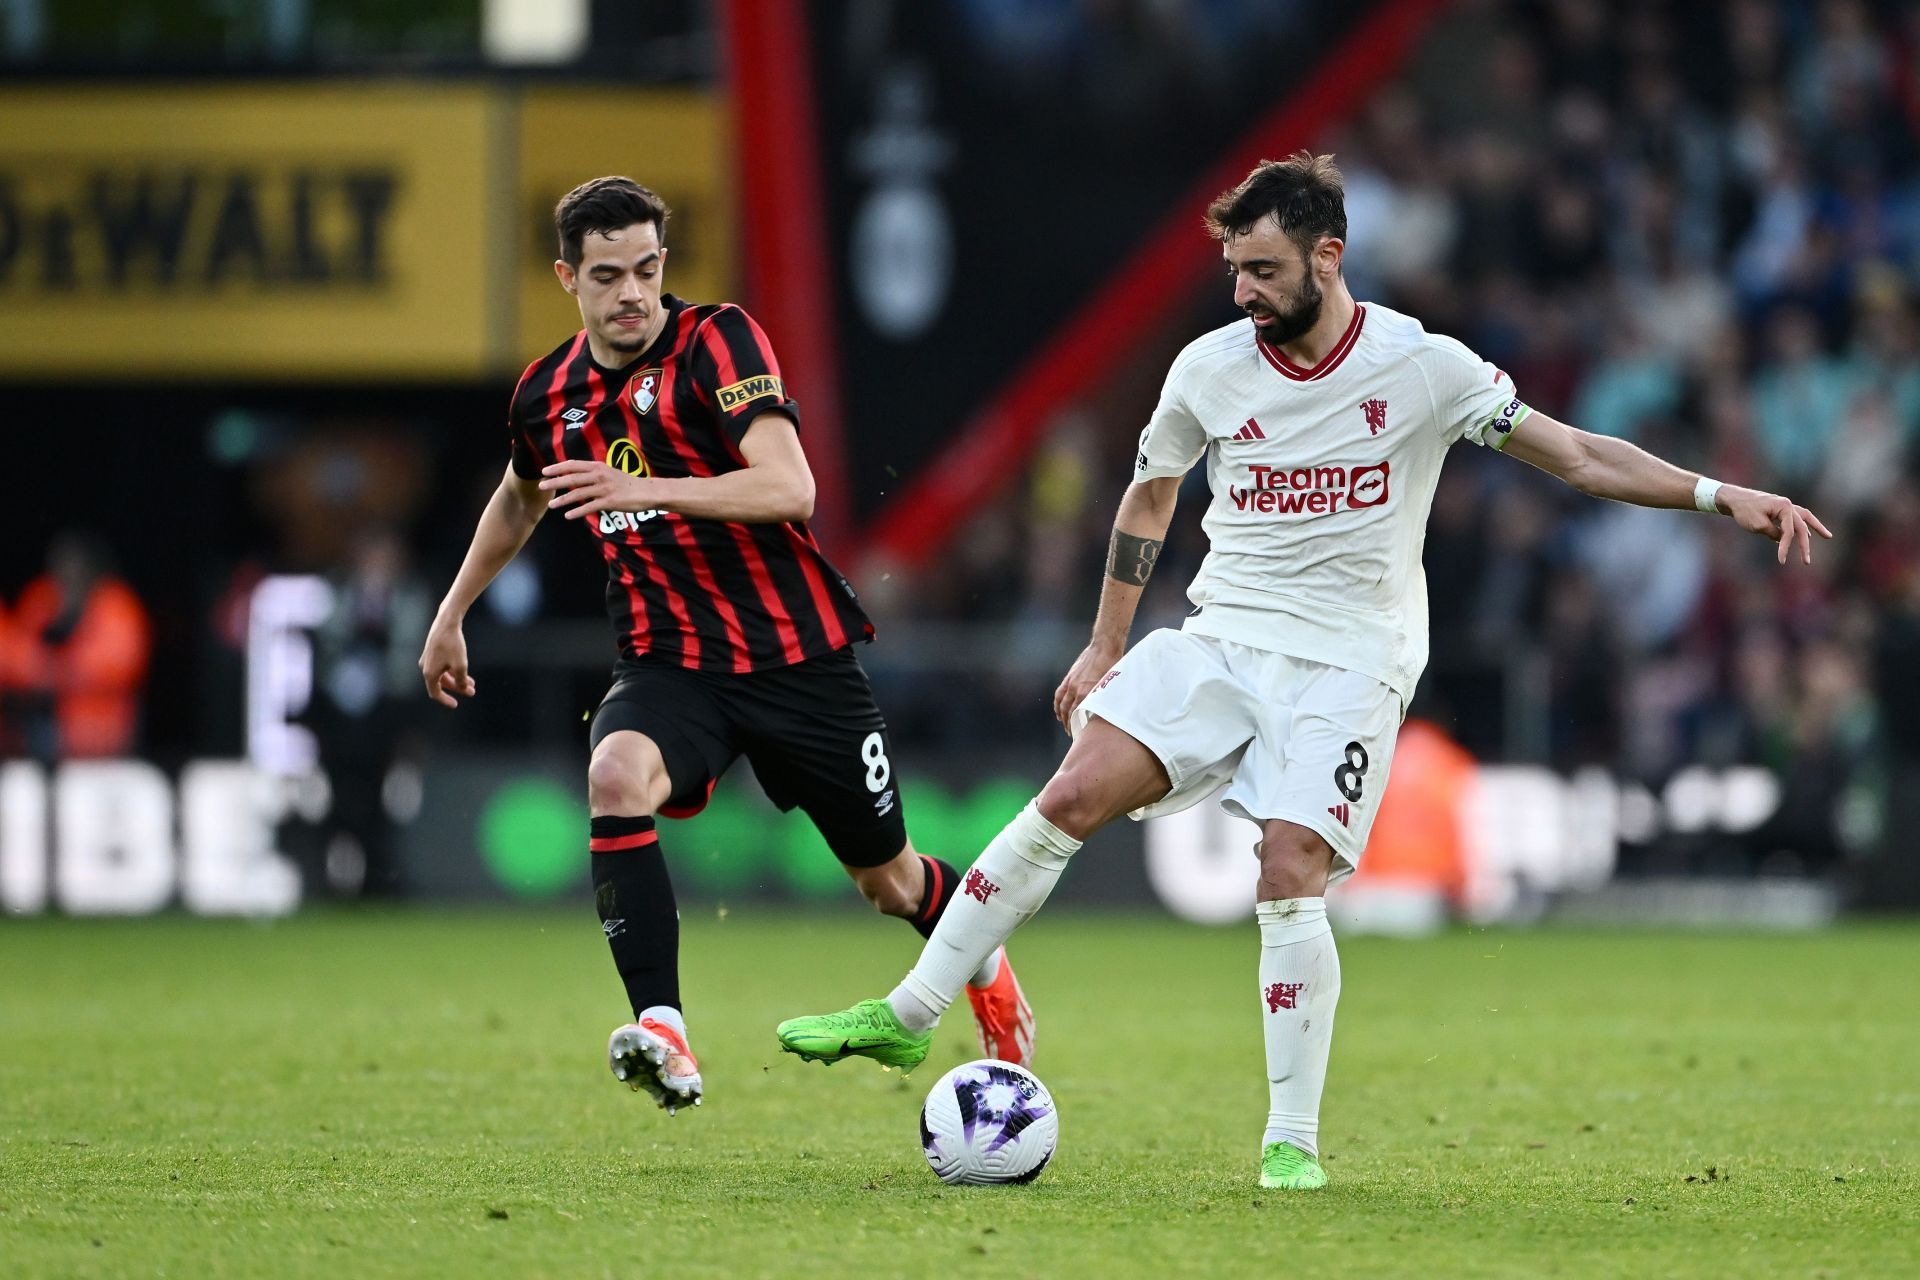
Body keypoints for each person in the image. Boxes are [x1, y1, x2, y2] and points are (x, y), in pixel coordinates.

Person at [774, 152, 1830, 1188]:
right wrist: (1105, 643)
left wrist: (1715, 494)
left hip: (1351, 660)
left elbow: (1577, 455)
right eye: (1234, 271)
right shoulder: (1207, 367)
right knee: (1068, 792)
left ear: (1330, 257)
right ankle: (912, 1012)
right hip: (1224, 632)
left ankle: (1291, 1139)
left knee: (1288, 870)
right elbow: (1150, 497)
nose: (1243, 293)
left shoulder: (1423, 366)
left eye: (1265, 271)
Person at [418, 177, 1031, 1115]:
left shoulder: (717, 340)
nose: (633, 293)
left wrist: (648, 489)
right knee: (615, 775)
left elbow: (791, 488)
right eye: (609, 275)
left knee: (890, 879)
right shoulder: (546, 392)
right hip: (670, 664)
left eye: (648, 269)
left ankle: (984, 967)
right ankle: (663, 1026)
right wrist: (452, 609)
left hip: (797, 658)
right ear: (567, 278)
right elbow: (521, 491)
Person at [3, 532, 151, 762]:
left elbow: (117, 664)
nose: (68, 575)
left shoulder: (115, 605)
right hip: (42, 738)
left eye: (76, 568)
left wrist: (53, 671)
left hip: (105, 742)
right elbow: (13, 659)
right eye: (61, 568)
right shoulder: (43, 599)